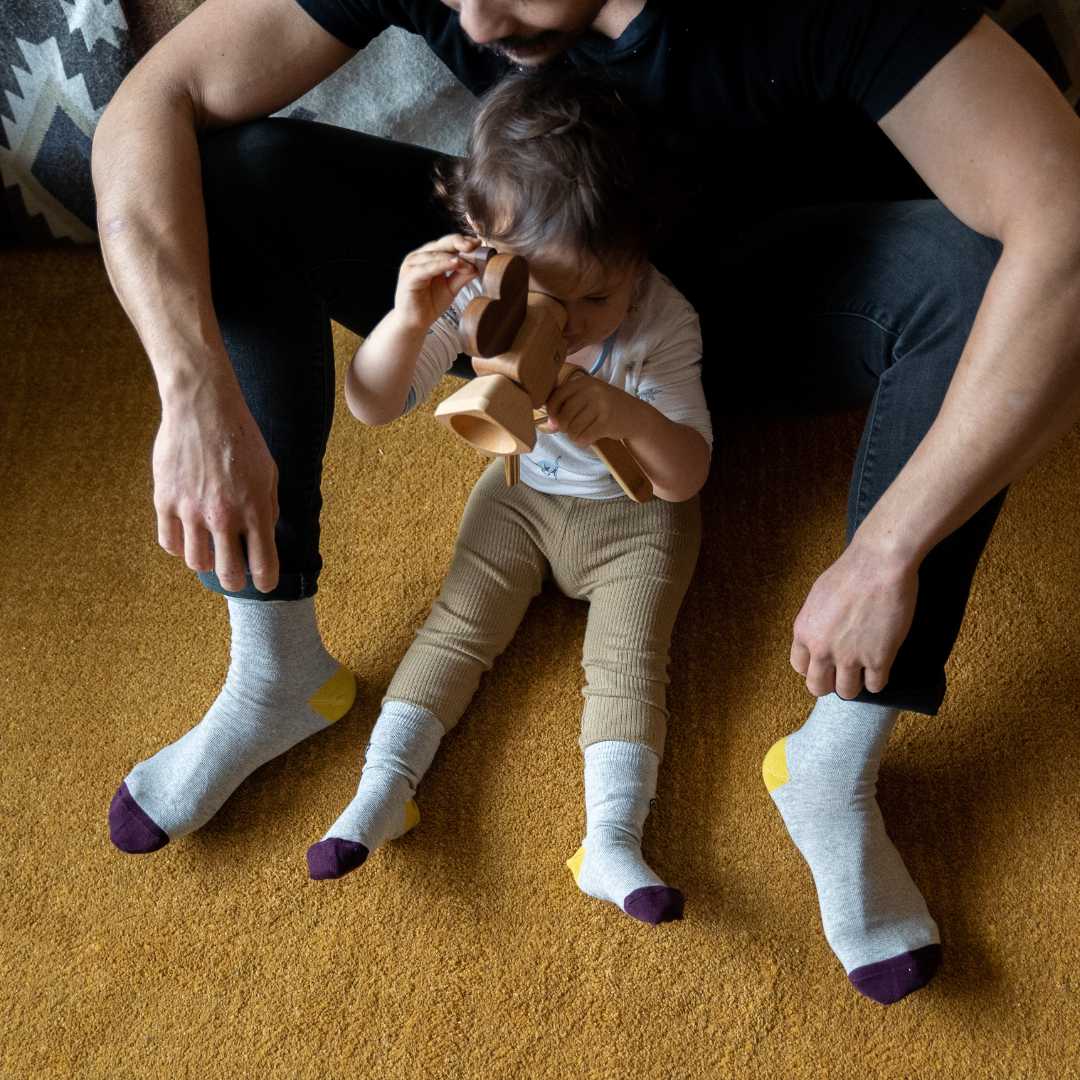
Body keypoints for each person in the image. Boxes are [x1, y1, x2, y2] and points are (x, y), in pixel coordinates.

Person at [93, 0, 1080, 1005]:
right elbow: (156, 100)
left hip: (760, 296)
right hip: (537, 260)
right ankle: (275, 667)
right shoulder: (485, 178)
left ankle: (839, 752)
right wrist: (195, 388)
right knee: (234, 173)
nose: (476, 20)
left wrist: (889, 549)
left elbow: (1067, 228)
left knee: (984, 280)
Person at [305, 72, 711, 929]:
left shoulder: (662, 320)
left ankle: (610, 839)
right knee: (455, 627)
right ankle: (383, 788)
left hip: (636, 518)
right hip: (523, 498)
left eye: (600, 296)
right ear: (486, 244)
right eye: (551, 295)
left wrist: (630, 415)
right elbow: (375, 402)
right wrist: (407, 321)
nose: (577, 320)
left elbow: (685, 476)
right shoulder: (480, 295)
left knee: (628, 663)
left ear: (639, 259)